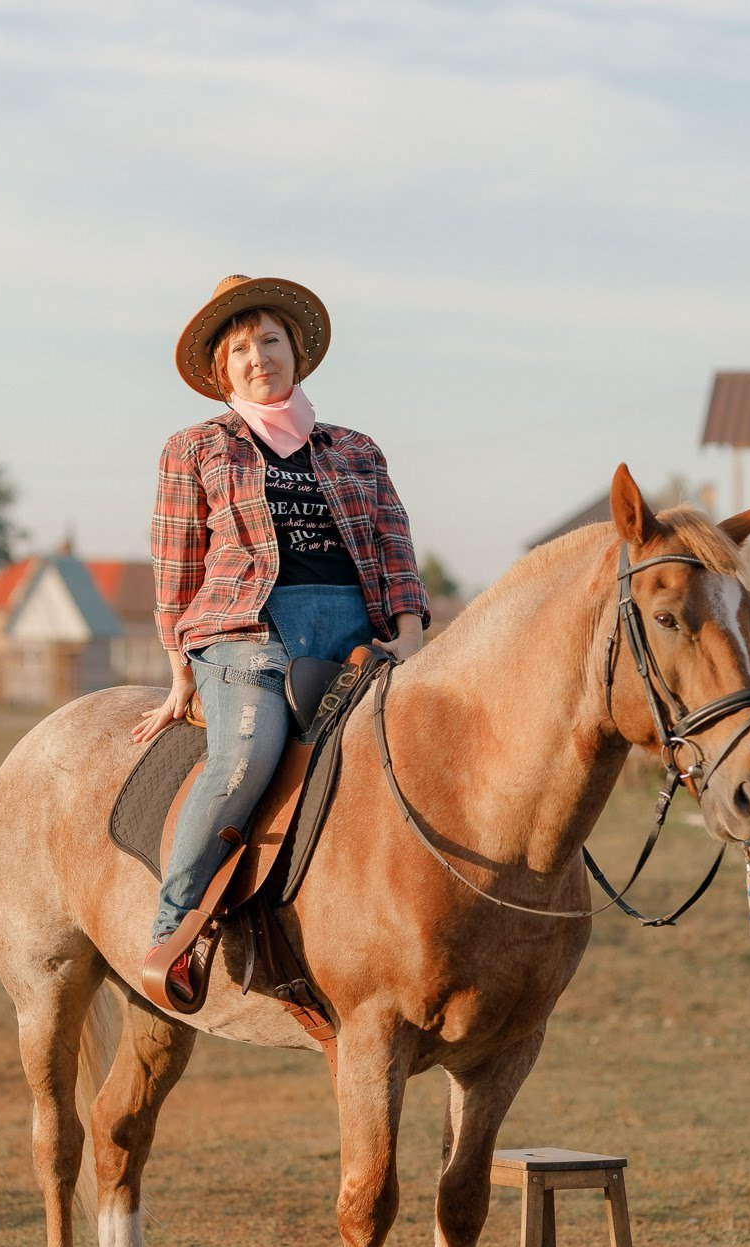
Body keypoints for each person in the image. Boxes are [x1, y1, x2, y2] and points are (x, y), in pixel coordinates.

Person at [132, 273, 431, 1005]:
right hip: (245, 633)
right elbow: (176, 568)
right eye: (239, 348)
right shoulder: (196, 447)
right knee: (247, 759)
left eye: (270, 340)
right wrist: (180, 673)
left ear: (295, 352)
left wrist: (414, 636)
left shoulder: (356, 449)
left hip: (356, 633)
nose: (257, 356)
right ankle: (174, 928)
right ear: (221, 370)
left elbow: (394, 547)